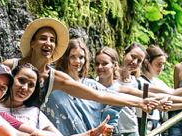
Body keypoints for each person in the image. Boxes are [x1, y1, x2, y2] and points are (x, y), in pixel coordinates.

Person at [15, 17, 163, 114]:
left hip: (29, 128)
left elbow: (97, 95)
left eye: (52, 40)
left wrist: (140, 102)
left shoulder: (55, 78)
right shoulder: (13, 65)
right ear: (32, 43)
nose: (48, 43)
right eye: (43, 38)